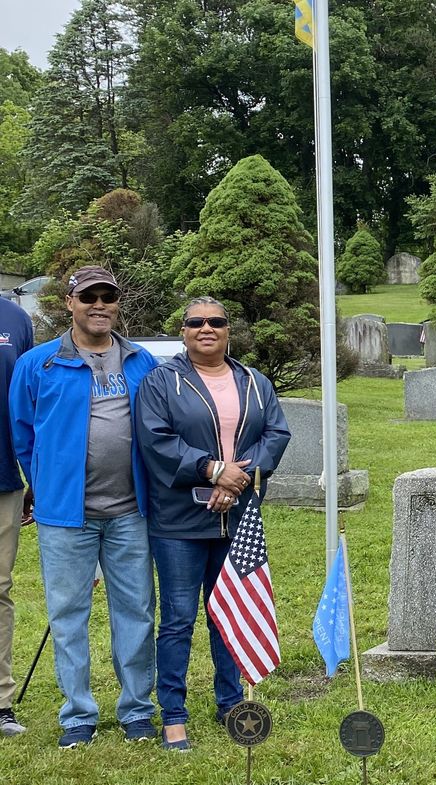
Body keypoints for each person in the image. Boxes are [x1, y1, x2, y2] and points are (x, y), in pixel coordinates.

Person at [9, 266, 158, 749]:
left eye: (108, 297)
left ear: (117, 304)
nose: (99, 305)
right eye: (88, 296)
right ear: (69, 303)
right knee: (68, 614)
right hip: (64, 518)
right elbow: (23, 433)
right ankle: (78, 715)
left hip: (130, 511)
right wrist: (48, 485)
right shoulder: (38, 364)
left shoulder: (142, 363)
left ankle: (136, 709)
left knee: (135, 611)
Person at [135, 297, 290, 751]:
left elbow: (275, 434)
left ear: (228, 331)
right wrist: (210, 469)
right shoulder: (161, 382)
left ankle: (230, 703)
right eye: (196, 322)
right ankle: (174, 715)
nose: (207, 328)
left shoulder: (254, 382)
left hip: (237, 515)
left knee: (229, 614)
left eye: (216, 322)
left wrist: (235, 478)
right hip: (180, 521)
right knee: (178, 619)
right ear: (183, 331)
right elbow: (156, 439)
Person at [0, 294, 33, 736]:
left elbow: (26, 402)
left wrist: (32, 477)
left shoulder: (14, 318)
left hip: (3, 478)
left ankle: (0, 702)